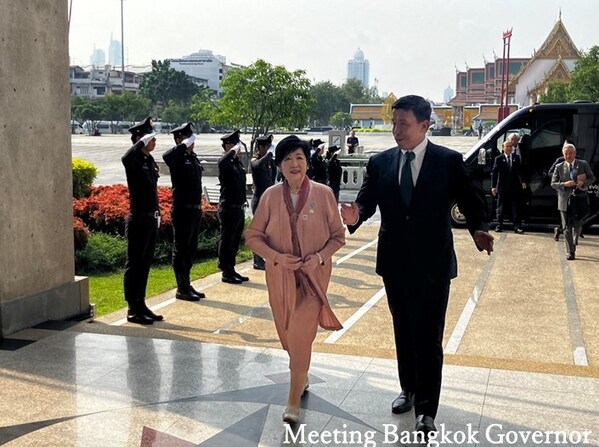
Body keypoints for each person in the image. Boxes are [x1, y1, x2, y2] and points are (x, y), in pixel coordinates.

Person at [340, 95, 493, 436]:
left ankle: (426, 409)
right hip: (394, 263)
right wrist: (355, 215)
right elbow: (366, 202)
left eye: (403, 124)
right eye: (394, 123)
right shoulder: (380, 162)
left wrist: (478, 229)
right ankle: (407, 389)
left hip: (433, 265)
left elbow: (471, 200)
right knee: (404, 330)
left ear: (425, 125)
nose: (396, 130)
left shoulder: (448, 161)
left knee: (429, 336)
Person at [245, 135, 345, 425]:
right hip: (280, 279)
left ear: (307, 162)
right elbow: (253, 236)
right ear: (279, 165)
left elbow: (338, 236)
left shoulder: (323, 194)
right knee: (290, 336)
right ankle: (302, 374)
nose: (294, 164)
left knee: (301, 334)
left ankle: (292, 402)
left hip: (313, 279)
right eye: (287, 159)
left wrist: (319, 257)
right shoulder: (270, 196)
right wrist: (276, 257)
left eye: (299, 157)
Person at [121, 117, 163, 325]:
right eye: (150, 138)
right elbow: (125, 158)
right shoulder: (134, 160)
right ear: (140, 139)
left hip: (150, 219)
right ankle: (132, 308)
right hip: (138, 219)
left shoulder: (148, 160)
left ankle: (141, 303)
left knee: (145, 263)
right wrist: (139, 142)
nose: (154, 141)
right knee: (135, 263)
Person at [162, 122, 205, 301]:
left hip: (194, 210)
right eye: (188, 139)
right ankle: (182, 288)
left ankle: (186, 283)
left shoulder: (192, 157)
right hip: (182, 210)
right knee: (181, 249)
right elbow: (166, 156)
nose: (192, 143)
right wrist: (183, 145)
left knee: (190, 249)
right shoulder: (177, 158)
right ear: (180, 139)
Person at [551, 143, 595, 260]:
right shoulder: (559, 167)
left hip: (579, 200)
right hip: (564, 201)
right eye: (566, 154)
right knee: (566, 227)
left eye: (570, 153)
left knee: (577, 224)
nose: (568, 156)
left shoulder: (583, 164)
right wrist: (564, 184)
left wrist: (583, 183)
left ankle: (574, 240)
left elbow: (592, 178)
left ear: (575, 153)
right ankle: (570, 251)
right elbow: (553, 183)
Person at [218, 130, 249, 284]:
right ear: (227, 146)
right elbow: (222, 163)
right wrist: (231, 152)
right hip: (228, 207)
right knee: (227, 240)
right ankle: (225, 271)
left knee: (235, 240)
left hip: (238, 207)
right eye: (235, 144)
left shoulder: (237, 163)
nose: (238, 148)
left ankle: (231, 268)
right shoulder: (225, 162)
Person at [250, 134, 277, 270]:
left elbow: (273, 176)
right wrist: (269, 155)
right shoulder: (255, 160)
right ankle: (257, 260)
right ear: (260, 147)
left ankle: (264, 257)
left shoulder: (269, 161)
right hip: (259, 200)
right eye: (266, 146)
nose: (268, 149)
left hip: (268, 201)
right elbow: (257, 166)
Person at [491, 140, 526, 234]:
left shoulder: (516, 158)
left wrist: (523, 182)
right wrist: (493, 186)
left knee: (515, 207)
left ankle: (517, 226)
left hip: (514, 187)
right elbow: (495, 173)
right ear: (503, 148)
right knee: (501, 207)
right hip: (502, 187)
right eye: (507, 146)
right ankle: (499, 225)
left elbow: (520, 171)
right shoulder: (499, 158)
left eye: (510, 146)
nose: (509, 148)